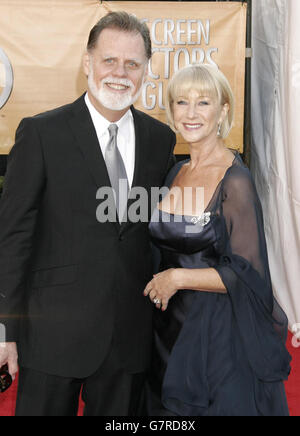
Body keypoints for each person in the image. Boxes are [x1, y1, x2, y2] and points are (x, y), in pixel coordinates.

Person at [0, 12, 176, 416]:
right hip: (50, 336)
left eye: (132, 63)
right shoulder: (41, 133)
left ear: (146, 70)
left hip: (128, 340)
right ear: (87, 63)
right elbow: (12, 238)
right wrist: (4, 329)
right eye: (109, 60)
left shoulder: (160, 139)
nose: (120, 72)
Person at [144, 64, 291, 416]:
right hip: (167, 330)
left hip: (216, 337)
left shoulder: (236, 181)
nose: (191, 113)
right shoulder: (176, 171)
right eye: (181, 102)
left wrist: (177, 278)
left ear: (224, 110)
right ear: (171, 110)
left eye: (203, 102)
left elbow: (249, 272)